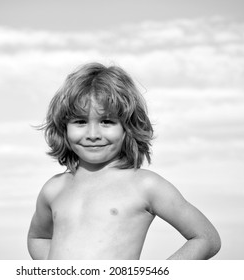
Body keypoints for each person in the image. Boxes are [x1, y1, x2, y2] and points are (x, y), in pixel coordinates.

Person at [27, 62, 221, 260]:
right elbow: (39, 237)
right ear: (63, 127)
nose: (93, 134)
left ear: (128, 127)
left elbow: (205, 238)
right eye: (80, 121)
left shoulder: (145, 185)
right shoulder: (54, 188)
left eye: (107, 121)